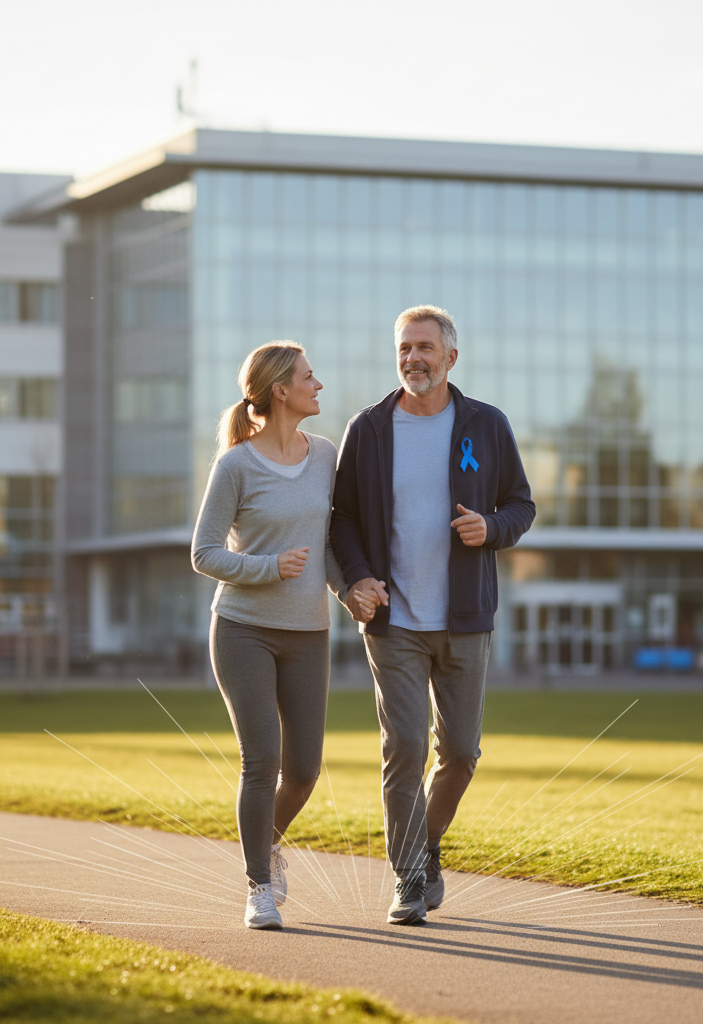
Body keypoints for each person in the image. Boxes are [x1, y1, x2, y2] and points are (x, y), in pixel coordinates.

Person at [331, 305, 535, 925]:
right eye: (404, 348)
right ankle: (410, 879)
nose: (413, 358)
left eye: (424, 347)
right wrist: (356, 580)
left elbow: (521, 506)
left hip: (466, 618)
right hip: (395, 622)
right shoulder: (367, 428)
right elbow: (340, 518)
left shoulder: (486, 424)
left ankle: (424, 845)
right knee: (406, 747)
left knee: (463, 752)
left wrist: (491, 528)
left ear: (450, 357)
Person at [192, 341, 376, 930]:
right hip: (243, 629)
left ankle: (265, 843)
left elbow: (324, 544)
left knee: (302, 769)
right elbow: (204, 552)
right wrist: (267, 568)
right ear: (280, 391)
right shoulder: (236, 465)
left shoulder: (323, 455)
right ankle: (258, 887)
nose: (317, 385)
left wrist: (349, 592)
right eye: (308, 377)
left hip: (307, 633)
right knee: (260, 759)